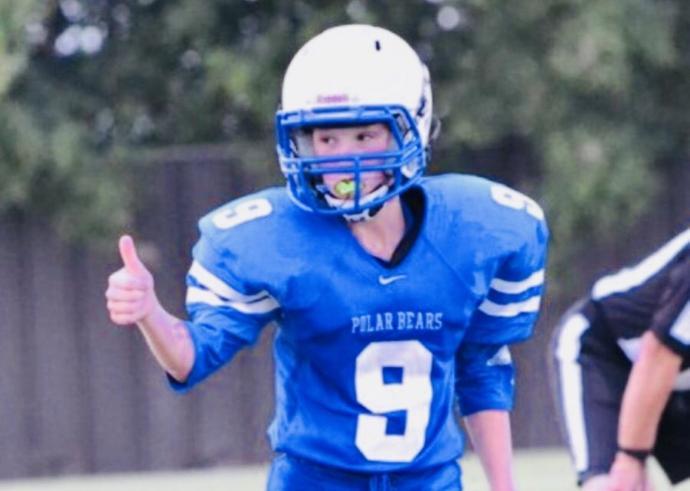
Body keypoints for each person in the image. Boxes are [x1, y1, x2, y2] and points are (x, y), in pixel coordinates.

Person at [106, 24, 548, 491]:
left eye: (364, 136)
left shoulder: (478, 229)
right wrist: (149, 312)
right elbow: (190, 358)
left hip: (429, 481)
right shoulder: (272, 238)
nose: (343, 158)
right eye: (326, 138)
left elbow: (480, 368)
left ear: (411, 129)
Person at [551, 227, 690, 491]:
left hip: (678, 377)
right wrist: (630, 458)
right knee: (614, 487)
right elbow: (658, 354)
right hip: (604, 350)